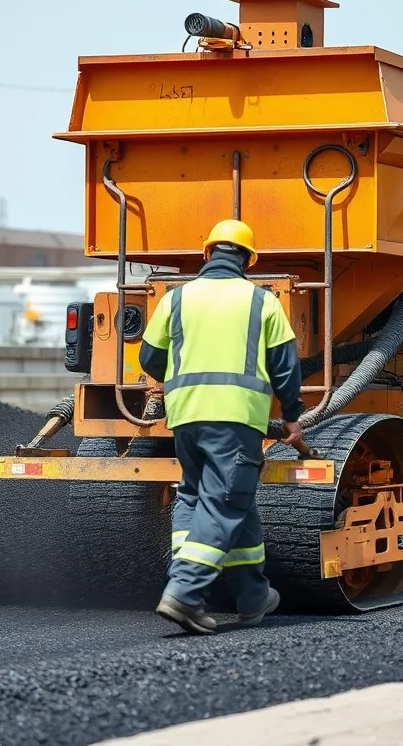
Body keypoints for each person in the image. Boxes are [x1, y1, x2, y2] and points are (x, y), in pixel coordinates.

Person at [138, 218, 305, 634]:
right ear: (248, 260)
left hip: (186, 417)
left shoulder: (175, 300)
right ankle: (184, 593)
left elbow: (149, 358)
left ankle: (253, 595)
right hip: (236, 419)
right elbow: (286, 366)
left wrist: (182, 375)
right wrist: (292, 418)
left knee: (201, 498)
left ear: (208, 254)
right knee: (225, 502)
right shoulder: (261, 302)